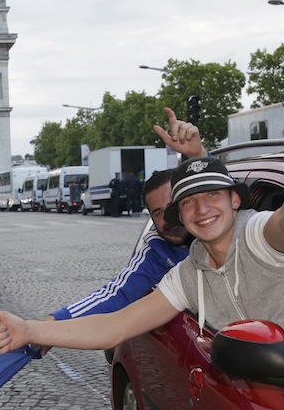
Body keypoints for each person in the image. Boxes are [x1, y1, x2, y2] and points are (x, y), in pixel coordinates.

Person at [0, 101, 284, 357]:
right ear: (179, 216)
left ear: (235, 201)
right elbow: (114, 325)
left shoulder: (258, 235)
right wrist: (31, 329)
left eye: (213, 195)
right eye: (189, 203)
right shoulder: (188, 274)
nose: (203, 208)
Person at [38, 107, 203, 356]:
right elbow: (117, 295)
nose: (170, 218)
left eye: (175, 206)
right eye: (158, 213)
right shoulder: (157, 249)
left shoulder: (227, 227)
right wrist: (51, 324)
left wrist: (198, 155)